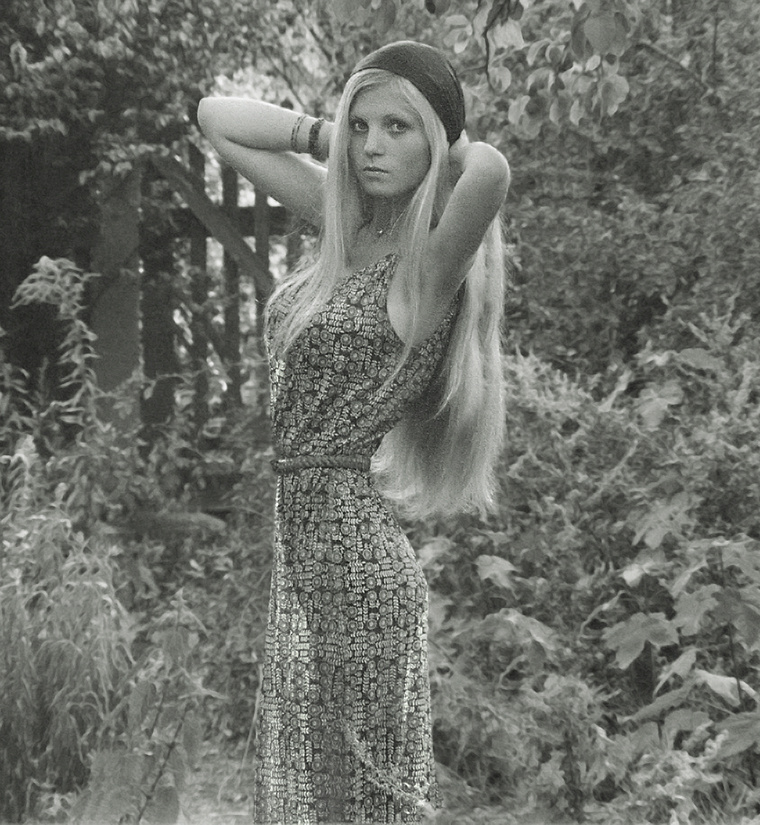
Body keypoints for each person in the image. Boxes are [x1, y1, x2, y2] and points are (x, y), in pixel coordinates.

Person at [198, 40, 510, 824]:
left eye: (396, 128)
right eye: (362, 126)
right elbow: (216, 118)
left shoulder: (429, 263)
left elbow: (490, 170)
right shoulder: (347, 227)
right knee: (329, 789)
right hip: (310, 547)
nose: (371, 146)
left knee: (361, 794)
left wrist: (440, 140)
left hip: (356, 561)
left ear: (432, 140)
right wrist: (329, 137)